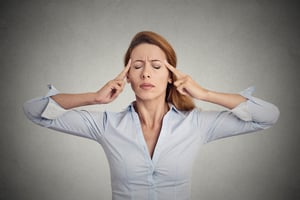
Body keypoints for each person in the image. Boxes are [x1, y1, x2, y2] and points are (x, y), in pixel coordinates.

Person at [23, 31, 280, 200]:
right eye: (137, 67)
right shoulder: (106, 125)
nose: (146, 73)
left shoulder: (196, 124)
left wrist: (204, 94)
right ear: (128, 78)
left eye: (156, 66)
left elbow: (267, 116)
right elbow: (35, 111)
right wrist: (94, 97)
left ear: (171, 76)